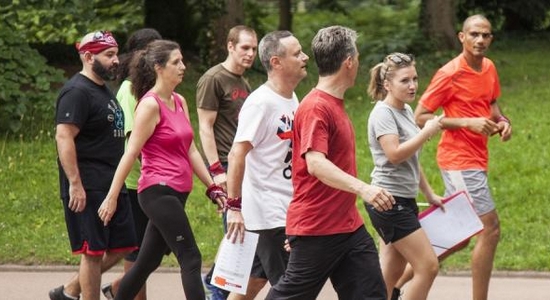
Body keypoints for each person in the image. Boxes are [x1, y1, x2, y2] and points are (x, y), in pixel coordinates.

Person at [266, 25, 395, 300]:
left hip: (348, 226)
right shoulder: (316, 107)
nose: (358, 63)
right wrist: (365, 189)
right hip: (318, 228)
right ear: (348, 62)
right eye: (357, 57)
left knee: (371, 293)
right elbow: (315, 163)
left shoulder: (333, 104)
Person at [97, 40, 226, 300]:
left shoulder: (179, 101)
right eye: (176, 62)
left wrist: (211, 186)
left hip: (178, 192)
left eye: (182, 61)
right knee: (190, 256)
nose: (183, 66)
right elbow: (131, 152)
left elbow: (190, 150)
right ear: (158, 67)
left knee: (147, 262)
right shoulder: (149, 105)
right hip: (157, 191)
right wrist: (112, 197)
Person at [410, 14, 512, 300]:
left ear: (491, 38)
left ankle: (392, 283)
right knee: (489, 229)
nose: (480, 40)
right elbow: (421, 117)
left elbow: (491, 104)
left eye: (486, 35)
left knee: (457, 237)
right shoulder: (449, 73)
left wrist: (502, 121)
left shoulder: (489, 68)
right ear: (461, 37)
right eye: (474, 34)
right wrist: (466, 122)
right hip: (458, 160)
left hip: (476, 159)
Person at [51, 30, 138, 300]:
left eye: (116, 54)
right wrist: (75, 184)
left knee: (125, 244)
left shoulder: (102, 89)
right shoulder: (76, 91)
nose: (116, 61)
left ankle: (70, 290)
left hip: (111, 181)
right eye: (109, 55)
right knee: (93, 250)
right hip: (88, 183)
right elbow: (63, 136)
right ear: (89, 57)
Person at [224, 30, 309, 300]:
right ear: (276, 62)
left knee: (252, 283)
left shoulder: (290, 97)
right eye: (297, 54)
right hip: (269, 213)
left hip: (286, 205)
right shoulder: (260, 103)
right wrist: (234, 208)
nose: (305, 57)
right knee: (294, 288)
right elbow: (236, 154)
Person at [365, 52, 445, 300]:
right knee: (428, 266)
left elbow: (412, 159)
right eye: (404, 81)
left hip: (403, 200)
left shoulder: (406, 110)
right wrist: (427, 131)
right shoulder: (383, 114)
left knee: (389, 275)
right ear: (387, 84)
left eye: (414, 79)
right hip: (389, 201)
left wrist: (429, 194)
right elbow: (395, 154)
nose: (412, 86)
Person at [195, 25, 259, 300]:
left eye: (254, 49)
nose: (250, 54)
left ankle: (214, 279)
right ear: (230, 46)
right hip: (225, 165)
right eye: (245, 47)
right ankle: (217, 288)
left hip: (243, 165)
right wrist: (216, 172)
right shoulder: (214, 79)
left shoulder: (244, 83)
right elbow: (205, 127)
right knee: (235, 228)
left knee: (242, 230)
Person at [100, 28, 162, 300]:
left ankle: (114, 288)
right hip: (135, 182)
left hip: (152, 180)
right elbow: (132, 138)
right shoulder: (128, 90)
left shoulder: (149, 90)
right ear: (137, 54)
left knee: (152, 251)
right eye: (149, 52)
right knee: (138, 252)